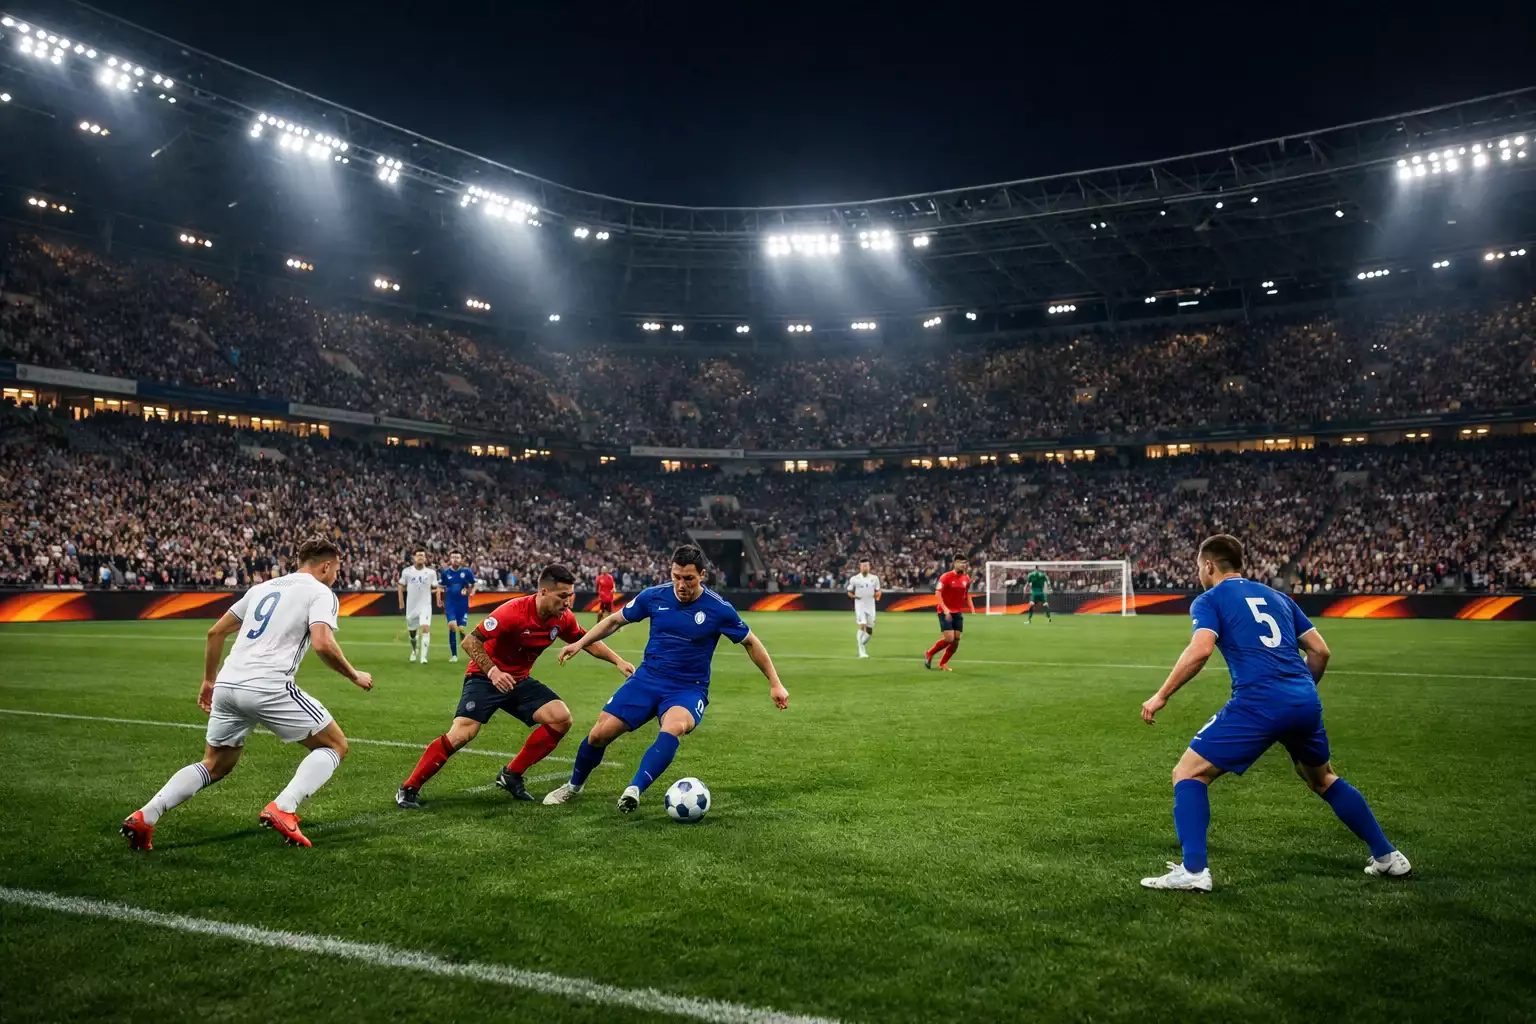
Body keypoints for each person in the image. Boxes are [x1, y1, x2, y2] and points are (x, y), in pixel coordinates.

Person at [1138, 534, 1411, 892]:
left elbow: (1200, 649)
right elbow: (1320, 651)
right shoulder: (1279, 597)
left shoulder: (1210, 599)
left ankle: (1193, 871)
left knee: (1188, 773)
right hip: (1303, 699)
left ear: (1208, 565)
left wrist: (1161, 695)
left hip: (1258, 701)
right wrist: (1301, 691)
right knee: (1323, 779)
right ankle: (1387, 855)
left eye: (1198, 567)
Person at [120, 537, 373, 850]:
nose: (336, 575)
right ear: (326, 566)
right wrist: (354, 674)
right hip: (268, 686)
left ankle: (145, 816)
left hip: (228, 685)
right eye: (336, 569)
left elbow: (215, 632)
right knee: (335, 745)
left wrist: (209, 681)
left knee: (215, 764)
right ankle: (284, 807)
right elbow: (322, 643)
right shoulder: (321, 592)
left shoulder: (262, 588)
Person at [543, 545, 789, 813]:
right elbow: (614, 621)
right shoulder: (654, 596)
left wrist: (775, 683)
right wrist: (580, 643)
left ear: (702, 575)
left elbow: (750, 642)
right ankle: (573, 786)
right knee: (599, 734)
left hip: (687, 688)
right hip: (647, 679)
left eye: (689, 578)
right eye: (676, 577)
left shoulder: (718, 609)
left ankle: (634, 789)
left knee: (674, 726)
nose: (681, 585)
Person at [396, 565, 633, 808]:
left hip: (517, 680)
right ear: (543, 592)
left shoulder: (563, 618)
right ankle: (408, 788)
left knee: (560, 718)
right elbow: (470, 641)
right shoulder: (513, 611)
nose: (567, 602)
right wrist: (493, 671)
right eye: (562, 596)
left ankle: (511, 774)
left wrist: (618, 661)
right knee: (462, 734)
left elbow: (586, 641)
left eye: (570, 596)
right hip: (484, 676)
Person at [925, 555, 974, 671]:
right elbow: (938, 594)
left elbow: (966, 593)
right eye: (961, 562)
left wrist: (971, 606)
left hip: (957, 612)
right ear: (955, 563)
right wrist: (945, 610)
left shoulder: (966, 578)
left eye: (965, 563)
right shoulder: (945, 577)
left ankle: (942, 663)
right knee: (949, 638)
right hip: (945, 611)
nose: (964, 565)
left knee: (956, 640)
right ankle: (929, 653)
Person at [398, 549, 438, 663]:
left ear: (425, 558)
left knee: (425, 627)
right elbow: (400, 586)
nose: (420, 557)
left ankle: (423, 657)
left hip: (425, 606)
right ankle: (414, 650)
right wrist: (401, 602)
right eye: (418, 555)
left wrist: (436, 591)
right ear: (414, 558)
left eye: (422, 556)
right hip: (412, 606)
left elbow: (435, 587)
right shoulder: (407, 572)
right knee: (412, 633)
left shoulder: (431, 573)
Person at [438, 550, 477, 663]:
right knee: (452, 626)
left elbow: (474, 584)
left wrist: (471, 591)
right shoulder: (445, 573)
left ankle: (469, 649)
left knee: (461, 629)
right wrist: (439, 599)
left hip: (462, 604)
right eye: (453, 557)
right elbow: (440, 587)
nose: (455, 559)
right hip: (450, 604)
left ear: (461, 559)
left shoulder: (467, 572)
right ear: (450, 559)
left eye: (457, 557)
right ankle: (454, 655)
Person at [846, 559, 882, 658]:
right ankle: (861, 651)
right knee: (862, 625)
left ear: (869, 567)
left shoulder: (875, 578)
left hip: (871, 606)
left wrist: (878, 595)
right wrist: (855, 597)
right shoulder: (854, 579)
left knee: (869, 630)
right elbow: (849, 592)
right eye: (863, 566)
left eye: (866, 566)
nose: (865, 567)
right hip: (860, 606)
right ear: (860, 567)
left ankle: (860, 644)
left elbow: (878, 591)